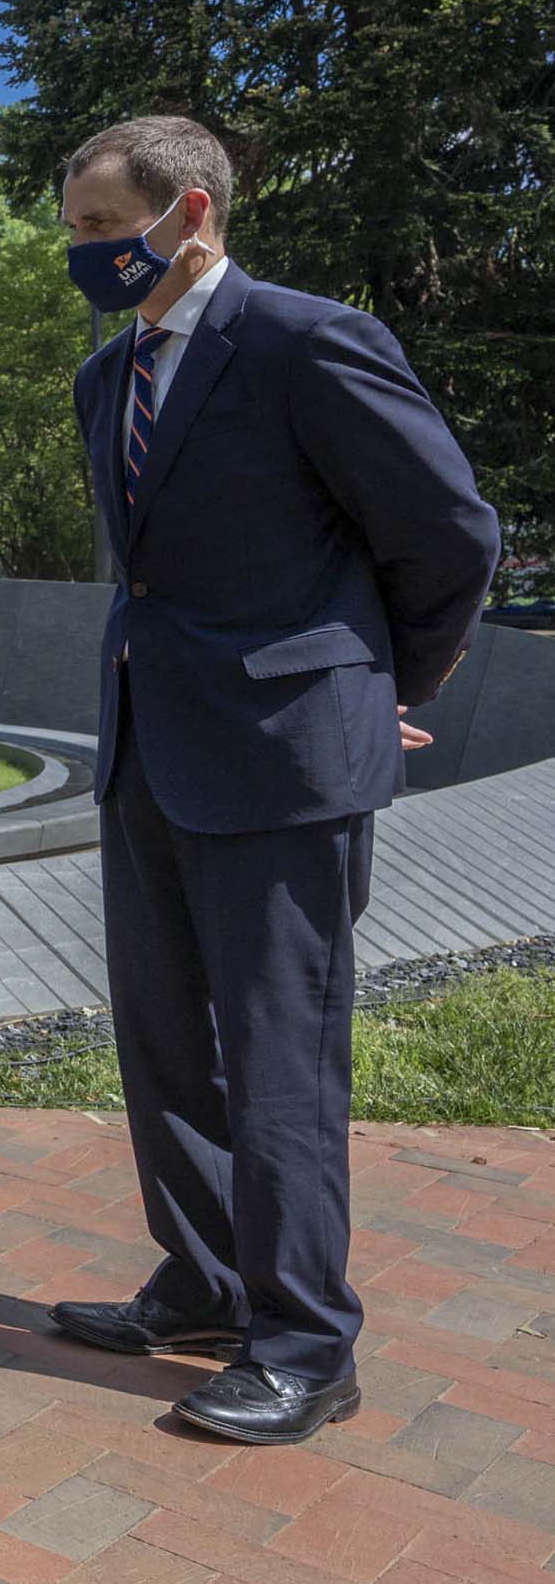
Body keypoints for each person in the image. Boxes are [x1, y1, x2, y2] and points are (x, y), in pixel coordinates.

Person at [49, 117, 500, 1442]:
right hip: (147, 750)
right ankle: (200, 1284)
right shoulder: (106, 380)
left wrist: (378, 687)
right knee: (165, 1044)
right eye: (72, 230)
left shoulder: (309, 342)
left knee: (279, 1058)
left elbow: (448, 532)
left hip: (281, 762)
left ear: (189, 212)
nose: (81, 254)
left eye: (97, 228)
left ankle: (306, 1340)